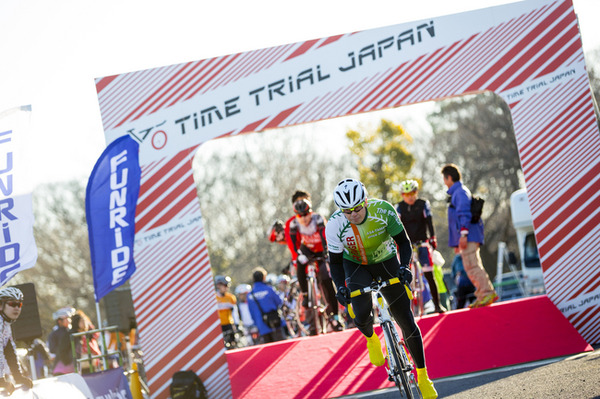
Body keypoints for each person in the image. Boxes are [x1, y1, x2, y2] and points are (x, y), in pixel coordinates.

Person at [325, 178, 437, 399]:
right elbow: (335, 263)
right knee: (360, 314)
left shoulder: (383, 210)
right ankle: (371, 338)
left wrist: (404, 267)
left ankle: (423, 377)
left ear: (365, 201)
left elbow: (403, 243)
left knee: (405, 319)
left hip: (386, 260)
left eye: (357, 208)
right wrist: (340, 287)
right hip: (355, 265)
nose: (354, 214)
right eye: (347, 211)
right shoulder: (335, 224)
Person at [441, 164, 498, 308]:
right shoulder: (458, 192)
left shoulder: (459, 192)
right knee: (471, 266)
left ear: (449, 178)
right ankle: (482, 294)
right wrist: (457, 242)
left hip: (469, 235)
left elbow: (464, 214)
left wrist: (463, 235)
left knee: (472, 266)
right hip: (468, 235)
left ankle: (486, 293)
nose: (444, 182)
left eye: (444, 178)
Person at [288, 198, 343, 332]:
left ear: (310, 212)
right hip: (306, 249)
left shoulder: (318, 219)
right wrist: (298, 255)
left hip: (321, 249)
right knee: (300, 265)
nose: (304, 219)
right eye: (300, 216)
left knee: (326, 279)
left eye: (306, 215)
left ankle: (335, 317)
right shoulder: (294, 223)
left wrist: (326, 253)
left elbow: (325, 236)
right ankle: (306, 294)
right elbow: (294, 244)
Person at [396, 179, 446, 313]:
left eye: (412, 193)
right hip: (407, 244)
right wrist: (397, 243)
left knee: (429, 274)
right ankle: (405, 309)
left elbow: (429, 221)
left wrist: (433, 238)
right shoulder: (399, 207)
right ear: (402, 195)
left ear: (416, 192)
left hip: (422, 241)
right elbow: (396, 226)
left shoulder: (423, 204)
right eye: (406, 194)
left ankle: (437, 304)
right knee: (405, 275)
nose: (410, 197)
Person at [0, 287, 33, 394]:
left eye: (19, 305)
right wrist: (1, 380)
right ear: (1, 305)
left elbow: (9, 351)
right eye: (12, 304)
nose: (17, 308)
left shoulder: (6, 324)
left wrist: (18, 376)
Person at [247, 267, 284, 344]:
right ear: (264, 277)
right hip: (274, 323)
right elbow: (279, 302)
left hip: (261, 326)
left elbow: (251, 312)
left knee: (268, 350)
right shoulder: (269, 289)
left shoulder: (250, 295)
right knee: (281, 346)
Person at [47, 306, 75, 374]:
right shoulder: (54, 334)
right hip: (61, 364)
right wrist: (64, 351)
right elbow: (52, 349)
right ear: (59, 321)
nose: (69, 320)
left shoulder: (71, 331)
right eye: (66, 318)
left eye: (69, 318)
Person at [215, 275, 238, 348]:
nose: (226, 287)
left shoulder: (231, 297)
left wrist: (237, 324)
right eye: (225, 285)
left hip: (229, 324)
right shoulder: (213, 297)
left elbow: (235, 312)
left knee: (233, 344)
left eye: (228, 285)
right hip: (219, 326)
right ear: (218, 285)